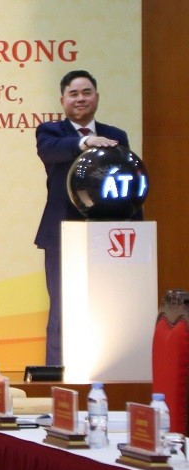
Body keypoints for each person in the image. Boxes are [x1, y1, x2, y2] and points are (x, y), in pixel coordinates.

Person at [34, 70, 137, 367]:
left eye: (87, 92)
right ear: (63, 100)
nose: (81, 99)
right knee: (62, 307)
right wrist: (87, 142)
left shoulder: (116, 136)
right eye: (74, 93)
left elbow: (128, 180)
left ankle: (104, 370)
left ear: (97, 97)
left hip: (107, 233)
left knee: (106, 305)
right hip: (62, 232)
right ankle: (58, 372)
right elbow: (50, 153)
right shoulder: (50, 132)